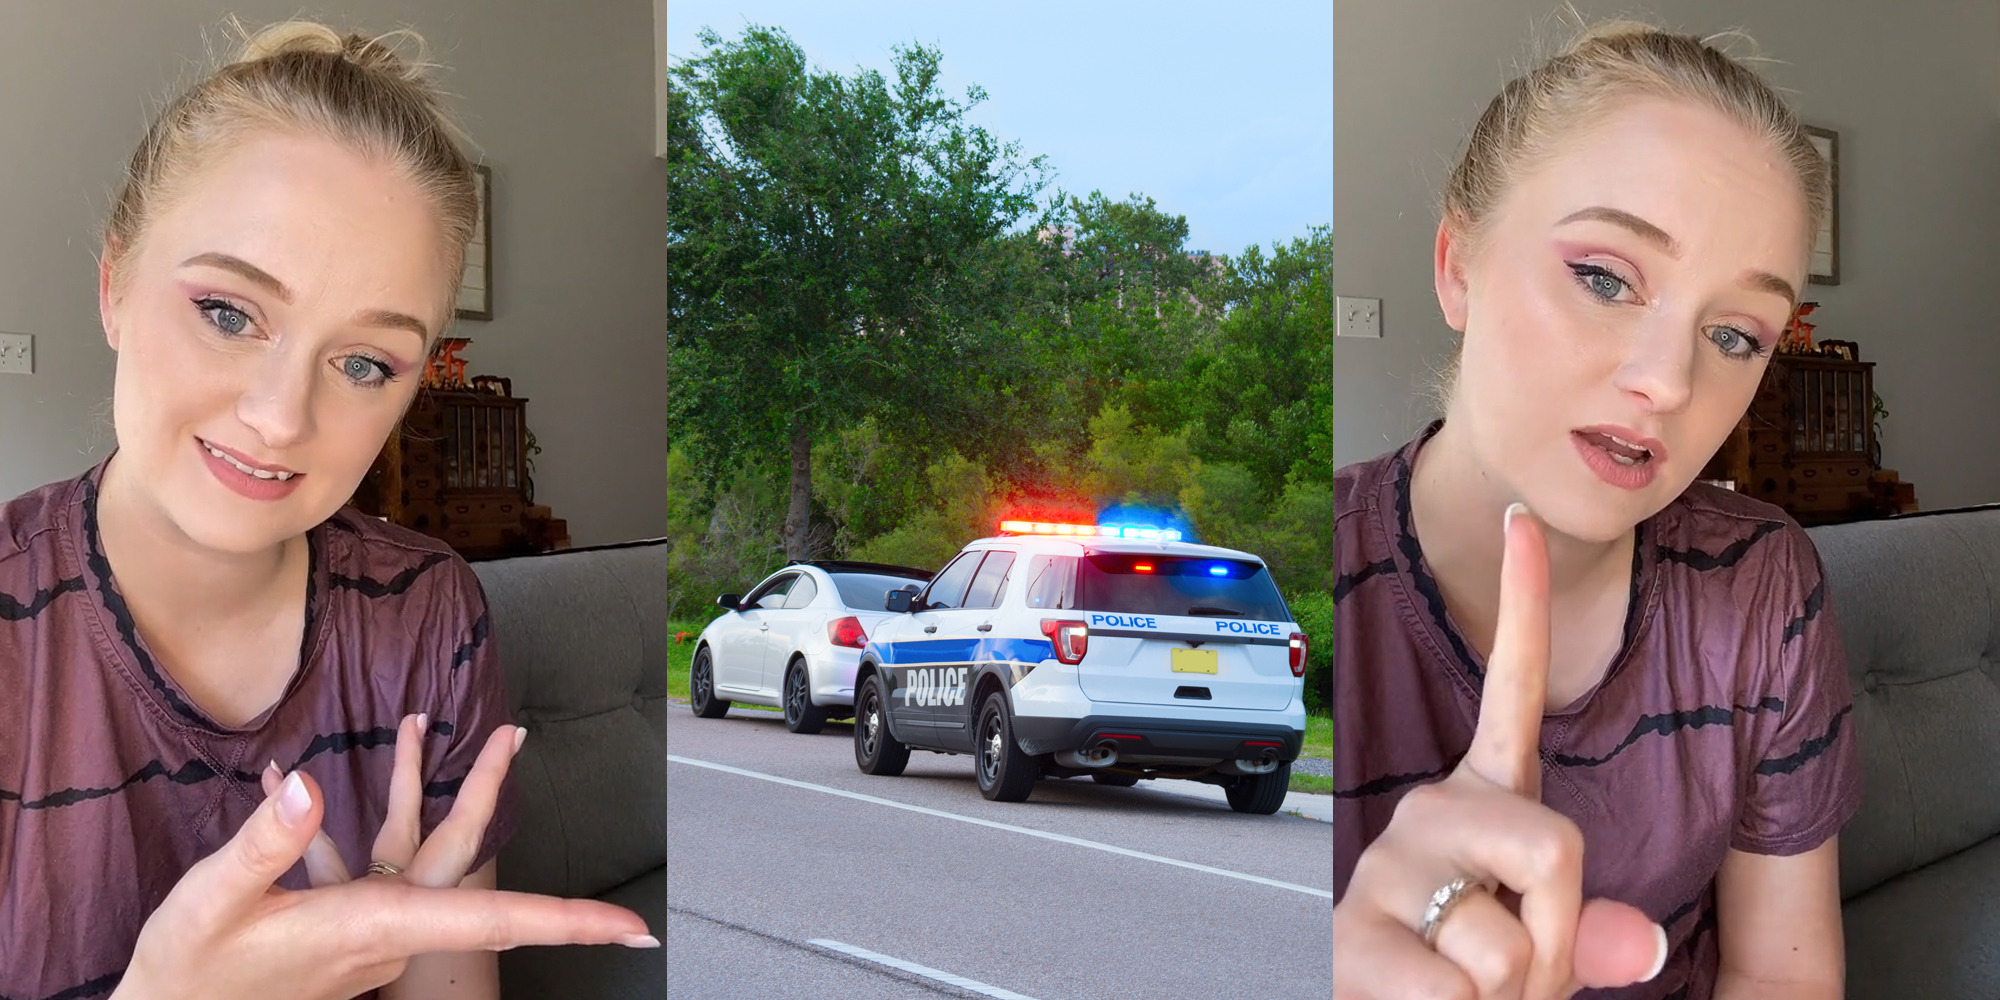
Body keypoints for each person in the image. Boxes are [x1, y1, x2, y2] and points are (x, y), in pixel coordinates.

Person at [0, 19, 656, 1000]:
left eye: (363, 362)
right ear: (115, 285)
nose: (279, 417)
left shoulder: (425, 613)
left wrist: (405, 951)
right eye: (228, 311)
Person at [1330, 19, 1862, 1000]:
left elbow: (1780, 975)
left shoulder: (1759, 581)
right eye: (1604, 278)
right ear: (1457, 266)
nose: (1665, 381)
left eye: (1735, 334)